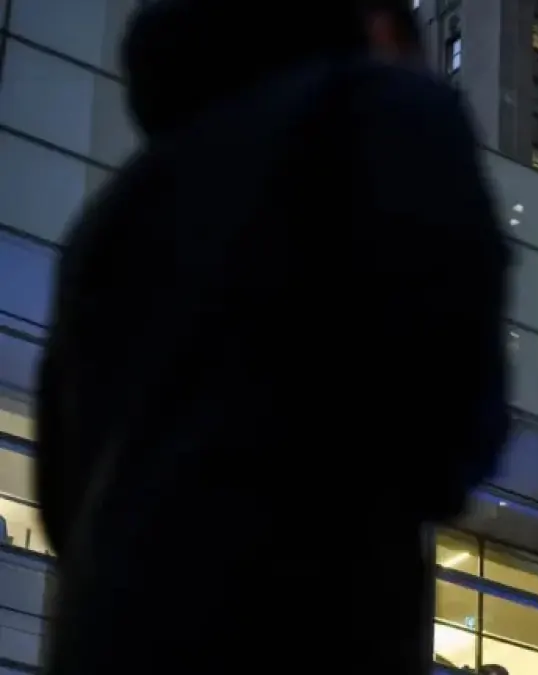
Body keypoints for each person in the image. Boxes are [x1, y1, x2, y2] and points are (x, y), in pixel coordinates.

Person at [34, 1, 510, 672]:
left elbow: (61, 480)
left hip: (108, 636)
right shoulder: (379, 110)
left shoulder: (111, 216)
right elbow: (450, 382)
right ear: (376, 29)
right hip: (302, 616)